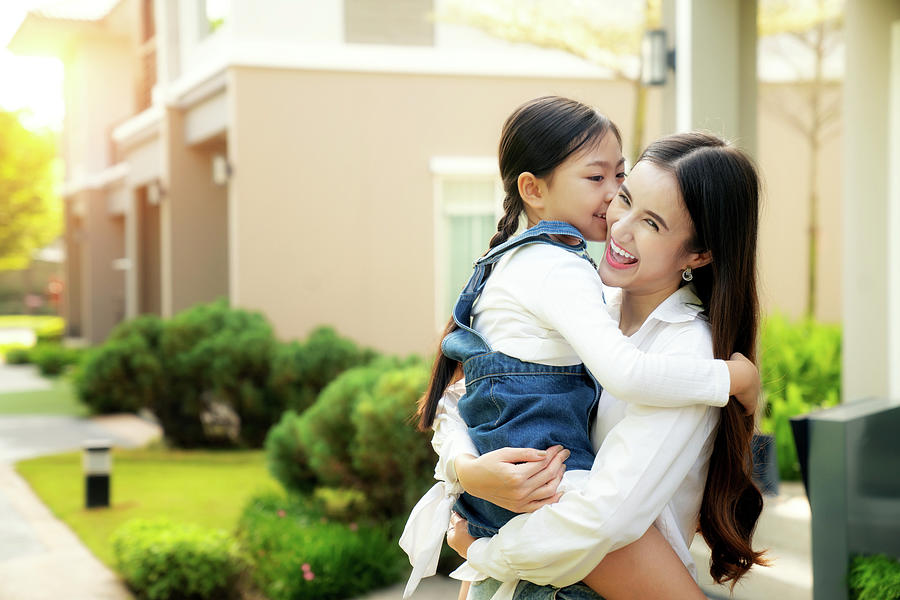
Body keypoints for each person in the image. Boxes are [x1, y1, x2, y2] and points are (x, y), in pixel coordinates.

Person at [398, 97, 760, 597]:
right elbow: (464, 396)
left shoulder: (687, 352)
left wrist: (479, 548)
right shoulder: (585, 298)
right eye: (626, 197)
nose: (618, 221)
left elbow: (601, 520)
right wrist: (471, 471)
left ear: (699, 253)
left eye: (652, 224)